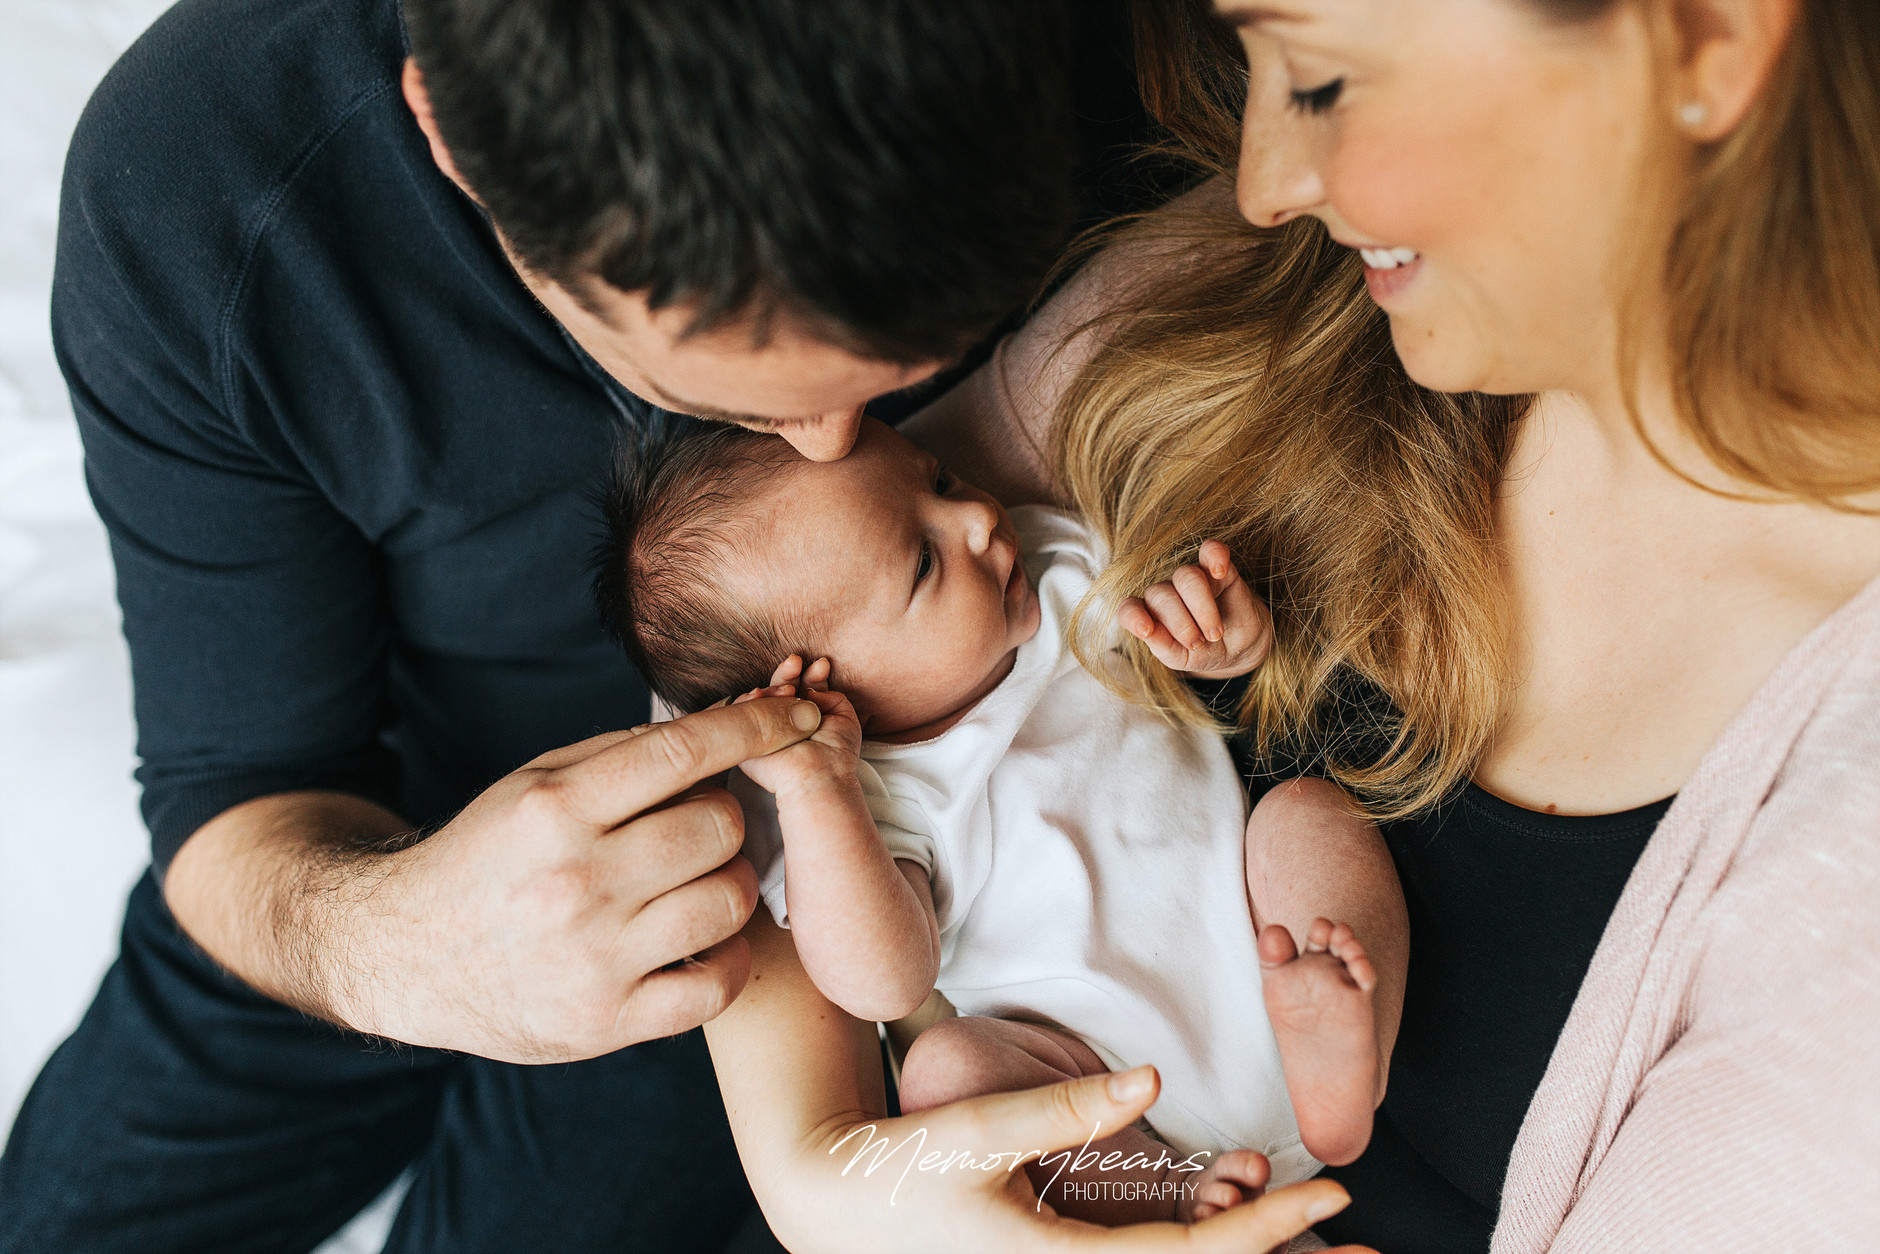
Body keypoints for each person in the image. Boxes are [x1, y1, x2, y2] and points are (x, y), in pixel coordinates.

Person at [0, 1, 1282, 1251]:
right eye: (718, 391)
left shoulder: (1096, 62)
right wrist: (395, 949)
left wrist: (804, 1141)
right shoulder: (200, 189)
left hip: (747, 945)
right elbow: (237, 787)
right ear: (450, 136)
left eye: (897, 385)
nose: (842, 444)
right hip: (373, 860)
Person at [697, 0, 1880, 1251]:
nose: (1261, 182)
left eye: (1319, 81)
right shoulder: (1271, 293)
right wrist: (809, 1162)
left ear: (1708, 36)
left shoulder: (1829, 833)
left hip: (1282, 1117)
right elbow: (756, 594)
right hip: (1101, 1131)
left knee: (1306, 820)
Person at [592, 416, 1409, 1222]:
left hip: (1265, 947)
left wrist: (1228, 645)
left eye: (939, 478)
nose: (978, 518)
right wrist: (818, 793)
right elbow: (885, 985)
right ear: (809, 689)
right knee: (947, 1074)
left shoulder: (1062, 574)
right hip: (1115, 1098)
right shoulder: (870, 803)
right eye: (922, 562)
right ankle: (1175, 1198)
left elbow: (1204, 657)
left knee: (1306, 818)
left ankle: (1339, 1066)